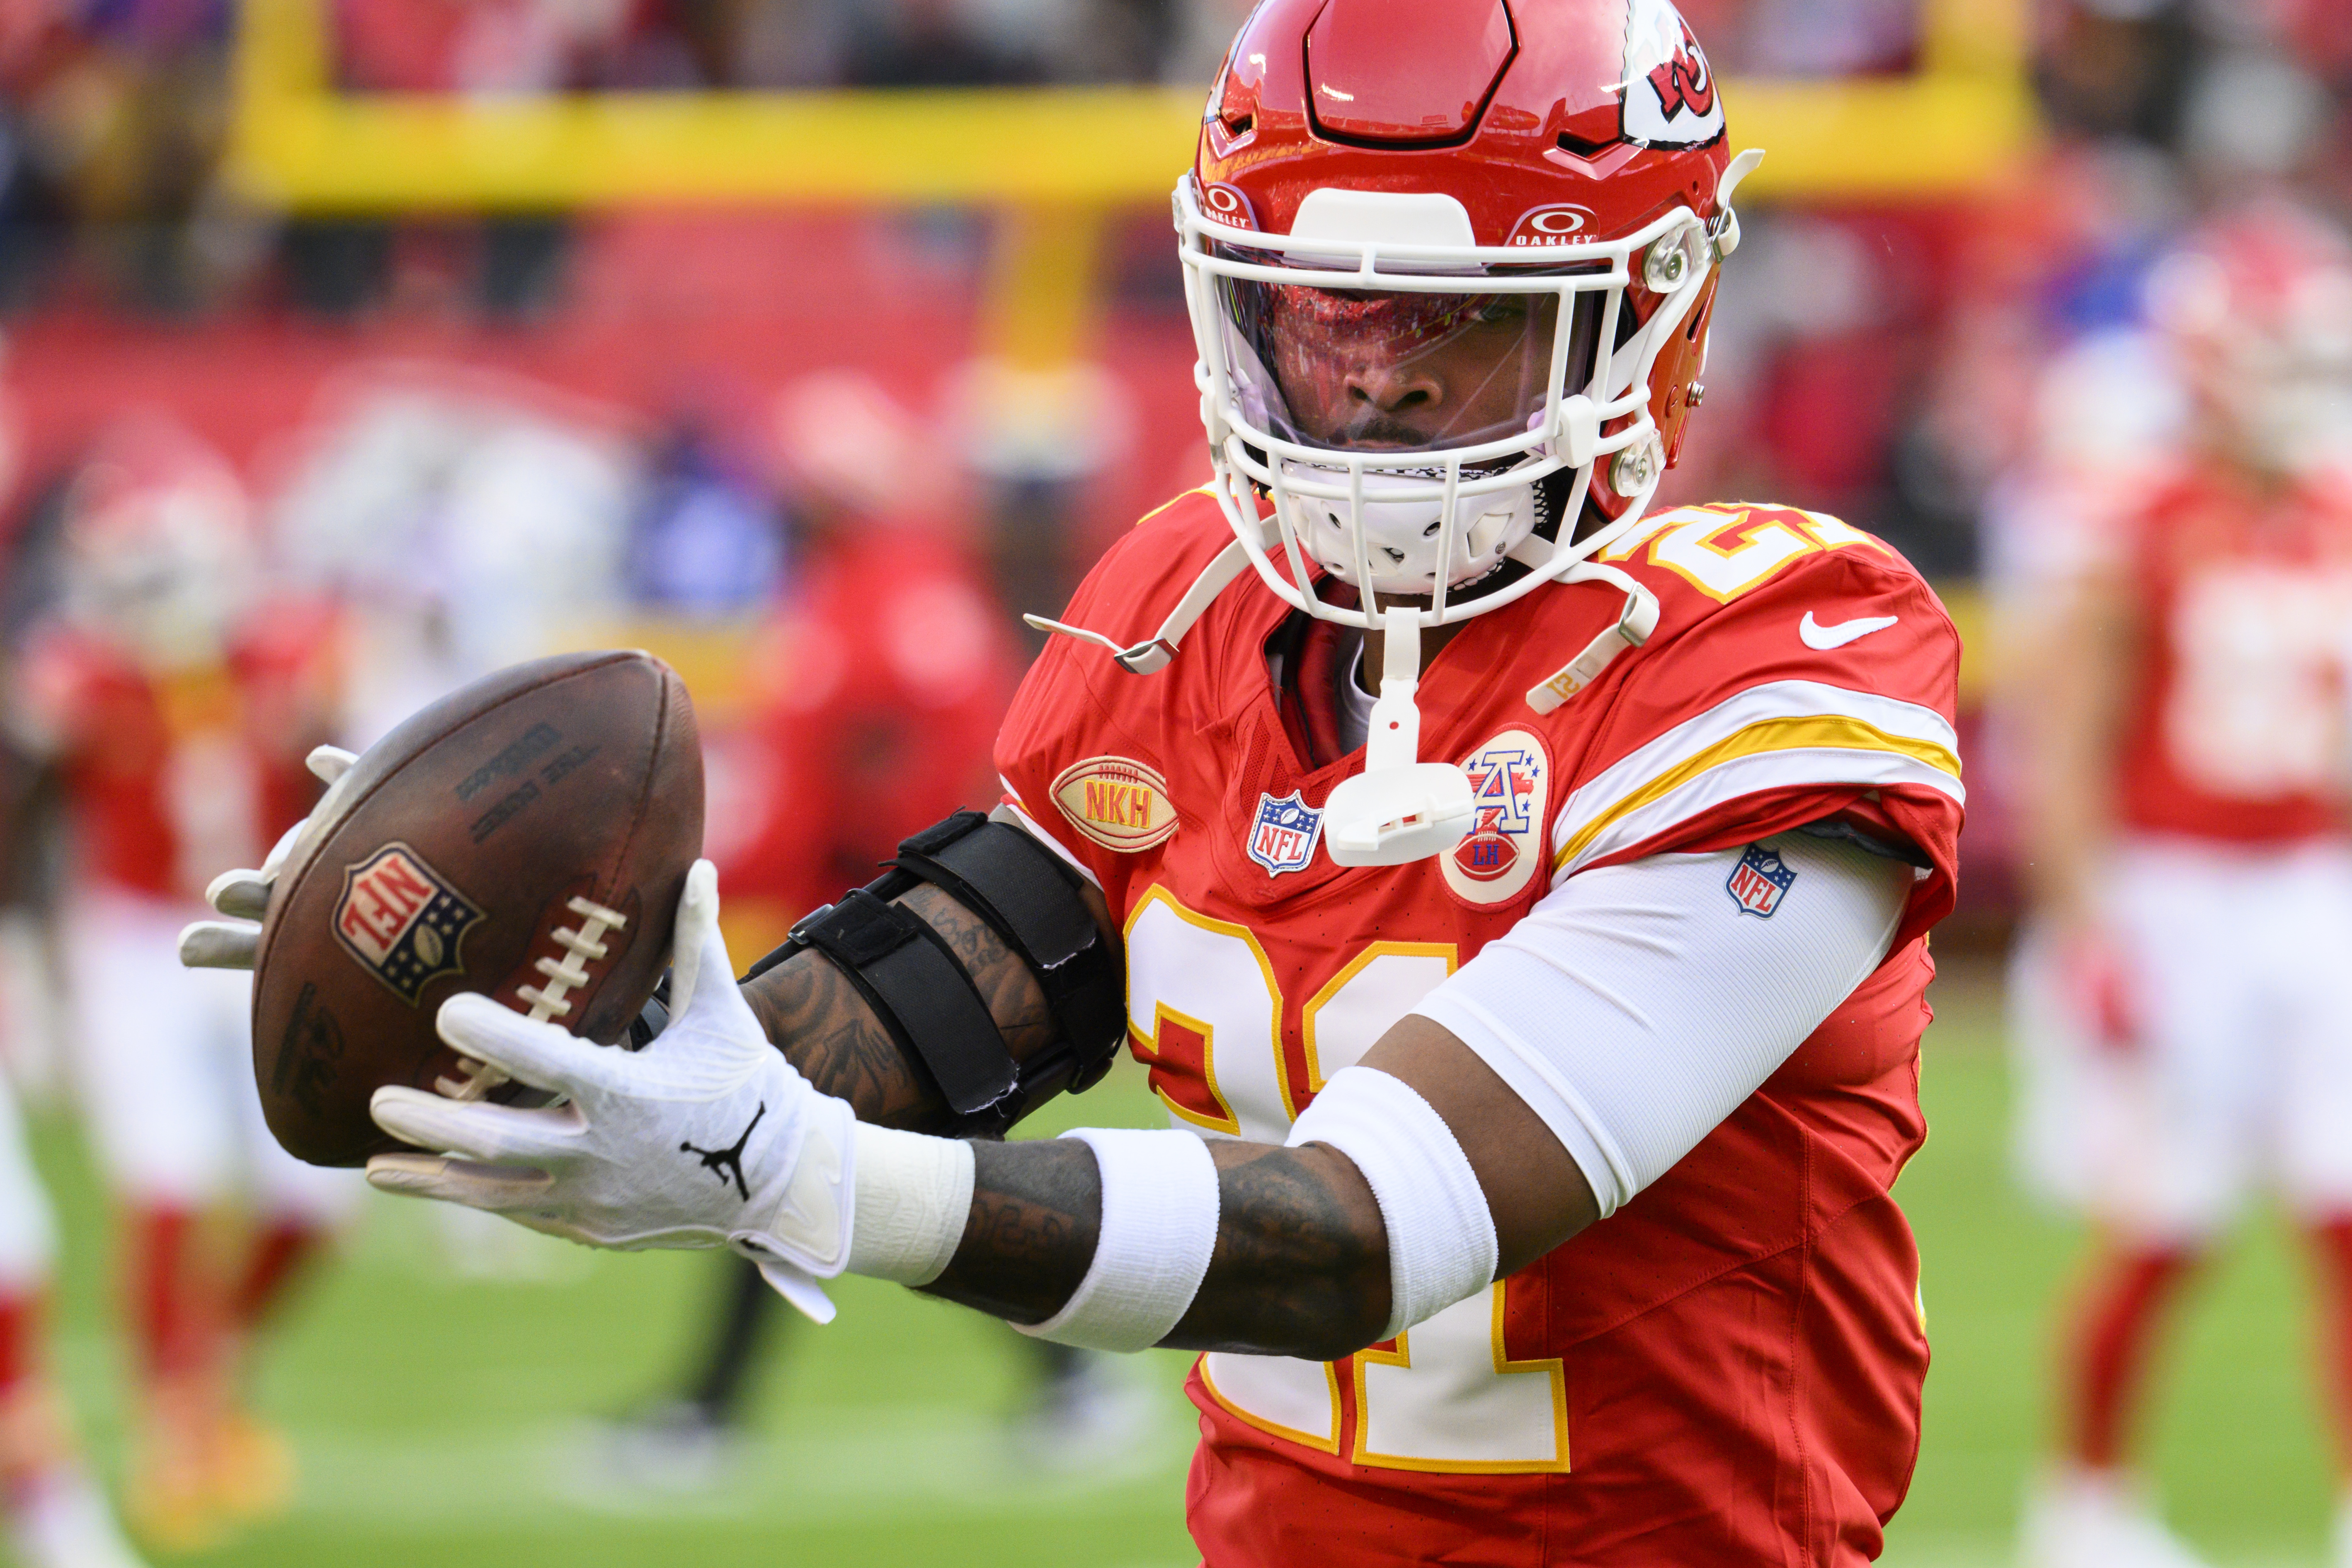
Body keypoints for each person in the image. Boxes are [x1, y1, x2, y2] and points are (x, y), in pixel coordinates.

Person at [188, 1, 1966, 1558]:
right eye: (1320, 320)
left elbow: (1363, 1235)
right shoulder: (1183, 608)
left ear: (1647, 317)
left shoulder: (1778, 666)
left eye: (1447, 325)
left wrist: (802, 1176)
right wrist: (571, 1009)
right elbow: (946, 989)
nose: (1368, 390)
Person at [611, 375, 1148, 1478]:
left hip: (892, 934)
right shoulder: (873, 592)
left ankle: (707, 1417)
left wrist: (705, 888)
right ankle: (1068, 1385)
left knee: (794, 1163)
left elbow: (910, 782)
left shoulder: (890, 601)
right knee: (859, 1169)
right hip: (879, 928)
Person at [2004, 202, 2352, 1568]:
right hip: (2178, 894)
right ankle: (2084, 1504)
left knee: (2344, 1211)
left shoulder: (2329, 516)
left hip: (2309, 883)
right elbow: (2072, 746)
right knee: (2167, 1220)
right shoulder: (2139, 523)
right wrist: (2087, 932)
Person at [17, 416, 359, 1550]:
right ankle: (175, 1427)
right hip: (134, 938)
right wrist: (28, 949)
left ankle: (210, 1371)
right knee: (167, 1176)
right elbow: (29, 810)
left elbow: (352, 806)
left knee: (319, 1195)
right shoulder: (79, 672)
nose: (146, 604)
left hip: (268, 934)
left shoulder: (291, 656)